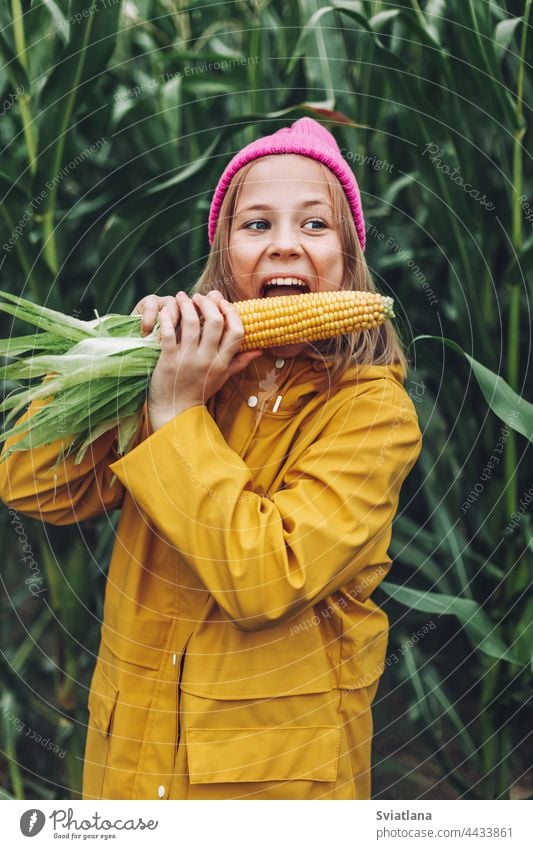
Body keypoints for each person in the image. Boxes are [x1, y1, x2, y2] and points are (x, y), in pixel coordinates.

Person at [0, 117, 423, 800]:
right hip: (134, 769)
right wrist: (122, 362)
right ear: (223, 259)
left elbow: (267, 579)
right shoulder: (180, 372)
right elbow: (28, 480)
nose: (284, 243)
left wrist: (176, 415)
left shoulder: (371, 413)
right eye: (255, 225)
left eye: (314, 226)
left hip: (270, 788)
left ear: (349, 261)